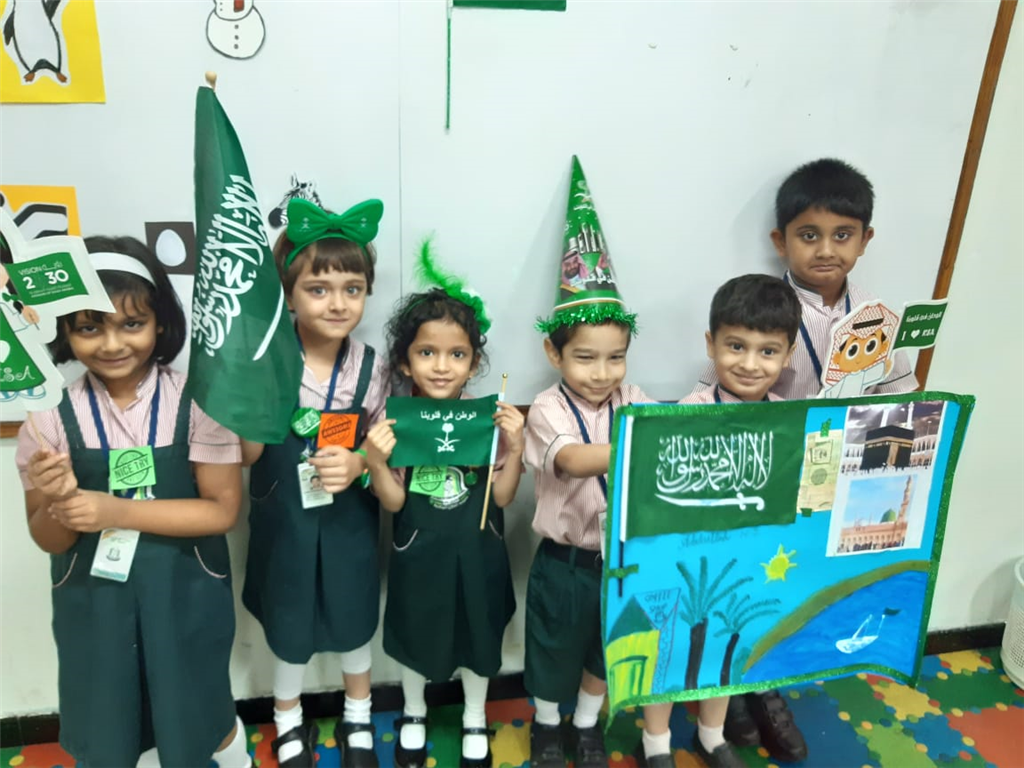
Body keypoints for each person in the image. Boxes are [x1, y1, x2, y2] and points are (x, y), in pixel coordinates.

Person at [695, 159, 918, 762]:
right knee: (744, 580)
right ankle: (732, 692)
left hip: (835, 479)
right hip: (766, 475)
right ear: (781, 240)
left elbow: (902, 395)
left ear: (865, 240)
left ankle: (767, 687)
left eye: (843, 235)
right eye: (808, 235)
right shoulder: (763, 307)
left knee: (790, 586)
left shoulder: (879, 320)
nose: (826, 249)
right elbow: (720, 386)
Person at [16, 236, 250, 768]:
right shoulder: (48, 417)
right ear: (65, 330)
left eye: (132, 323)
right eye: (89, 328)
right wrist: (56, 500)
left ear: (160, 322)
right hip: (95, 604)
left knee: (196, 708)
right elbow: (48, 538)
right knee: (110, 715)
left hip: (185, 593)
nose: (112, 344)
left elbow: (221, 510)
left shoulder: (199, 400)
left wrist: (114, 511)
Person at [240, 198, 389, 768]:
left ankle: (358, 715)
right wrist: (249, 411)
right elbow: (248, 453)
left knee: (353, 614)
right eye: (318, 289)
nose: (338, 303)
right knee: (288, 619)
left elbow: (385, 444)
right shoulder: (265, 360)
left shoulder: (373, 366)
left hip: (349, 521)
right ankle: (287, 719)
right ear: (289, 293)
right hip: (285, 522)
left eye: (353, 289)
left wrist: (358, 464)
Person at [364, 240, 524, 768]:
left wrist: (517, 446)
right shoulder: (397, 422)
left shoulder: (488, 420)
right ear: (405, 361)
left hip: (480, 551)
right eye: (426, 353)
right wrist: (376, 461)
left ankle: (475, 714)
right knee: (416, 632)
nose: (441, 366)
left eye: (457, 355)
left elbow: (503, 496)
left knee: (479, 632)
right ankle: (413, 711)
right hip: (418, 553)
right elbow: (392, 503)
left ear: (474, 363)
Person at [638, 274, 801, 768]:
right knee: (669, 650)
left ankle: (711, 735)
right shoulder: (678, 418)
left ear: (789, 354)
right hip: (683, 565)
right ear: (711, 344)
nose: (750, 364)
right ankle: (655, 741)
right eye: (736, 346)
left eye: (768, 351)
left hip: (748, 562)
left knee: (731, 645)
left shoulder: (790, 421)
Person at [525, 156, 654, 768]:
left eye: (615, 357)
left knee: (607, 647)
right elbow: (574, 460)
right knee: (553, 648)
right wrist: (648, 442)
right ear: (554, 353)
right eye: (585, 357)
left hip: (623, 559)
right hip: (565, 562)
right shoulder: (546, 408)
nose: (603, 373)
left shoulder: (636, 399)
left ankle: (586, 725)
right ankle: (546, 726)